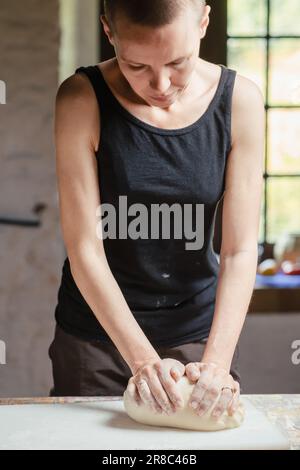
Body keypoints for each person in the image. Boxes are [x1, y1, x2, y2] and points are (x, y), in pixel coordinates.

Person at [48, 0, 265, 419]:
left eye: (177, 62)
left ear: (203, 21)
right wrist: (143, 362)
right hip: (98, 338)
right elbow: (85, 251)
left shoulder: (241, 101)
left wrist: (217, 363)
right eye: (136, 66)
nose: (161, 84)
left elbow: (239, 251)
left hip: (199, 336)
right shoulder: (81, 98)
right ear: (109, 33)